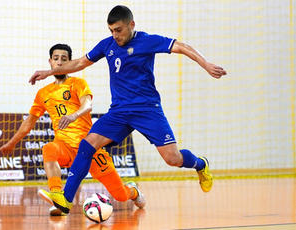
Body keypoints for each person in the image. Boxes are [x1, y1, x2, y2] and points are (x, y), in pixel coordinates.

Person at [29, 5, 227, 214]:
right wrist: (50, 72)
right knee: (87, 146)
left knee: (173, 159)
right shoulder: (107, 45)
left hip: (147, 109)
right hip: (119, 111)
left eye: (119, 30)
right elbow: (79, 62)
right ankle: (66, 200)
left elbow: (182, 46)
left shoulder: (147, 41)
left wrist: (206, 64)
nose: (115, 35)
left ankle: (200, 164)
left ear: (131, 25)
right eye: (111, 30)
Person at [0, 44, 145, 216]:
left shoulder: (78, 83)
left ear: (69, 62)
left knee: (120, 195)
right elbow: (28, 123)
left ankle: (133, 191)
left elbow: (88, 105)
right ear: (50, 61)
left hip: (89, 147)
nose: (59, 63)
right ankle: (58, 195)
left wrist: (74, 115)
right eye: (56, 58)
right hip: (65, 147)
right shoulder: (43, 93)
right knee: (48, 149)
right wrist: (11, 143)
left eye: (64, 59)